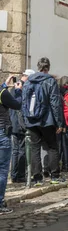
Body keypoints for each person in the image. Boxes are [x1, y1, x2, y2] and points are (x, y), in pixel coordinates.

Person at [22, 57, 65, 186]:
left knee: (35, 148)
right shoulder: (50, 81)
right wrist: (59, 123)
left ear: (38, 66)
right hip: (47, 120)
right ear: (48, 68)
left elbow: (24, 102)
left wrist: (25, 120)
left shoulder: (28, 81)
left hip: (31, 120)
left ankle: (37, 178)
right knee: (52, 147)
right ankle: (54, 176)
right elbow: (55, 103)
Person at [0, 74, 23, 214]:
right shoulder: (3, 93)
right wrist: (18, 90)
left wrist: (5, 84)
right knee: (2, 170)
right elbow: (17, 104)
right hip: (2, 134)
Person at [9, 69, 34, 184]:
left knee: (15, 150)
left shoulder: (14, 87)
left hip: (13, 123)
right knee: (22, 150)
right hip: (20, 124)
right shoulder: (22, 88)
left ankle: (14, 175)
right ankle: (20, 175)